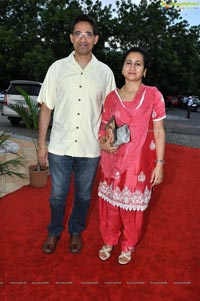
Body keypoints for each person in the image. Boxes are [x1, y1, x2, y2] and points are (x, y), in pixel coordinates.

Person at [37, 14, 116, 255]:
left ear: (96, 39)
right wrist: (41, 144)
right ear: (72, 38)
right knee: (57, 196)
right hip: (60, 146)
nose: (83, 38)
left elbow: (112, 112)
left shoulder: (105, 73)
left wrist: (110, 137)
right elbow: (46, 107)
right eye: (78, 33)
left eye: (88, 34)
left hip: (89, 149)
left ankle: (75, 231)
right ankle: (53, 231)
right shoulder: (57, 68)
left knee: (83, 196)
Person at [98, 47, 166, 265]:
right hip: (112, 159)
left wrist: (160, 164)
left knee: (132, 208)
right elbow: (103, 128)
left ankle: (128, 245)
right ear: (122, 68)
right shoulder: (111, 98)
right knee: (110, 205)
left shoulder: (153, 95)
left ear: (144, 71)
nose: (133, 67)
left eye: (138, 63)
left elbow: (159, 131)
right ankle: (108, 240)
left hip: (138, 164)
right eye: (129, 62)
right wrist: (104, 143)